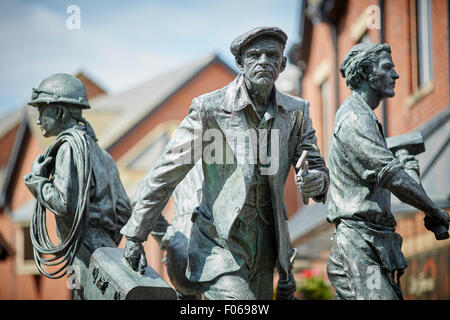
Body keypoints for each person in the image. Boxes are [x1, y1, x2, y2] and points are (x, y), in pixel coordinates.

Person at [121, 27, 329, 300]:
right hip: (219, 244)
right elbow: (166, 172)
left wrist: (317, 180)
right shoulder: (210, 109)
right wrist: (136, 234)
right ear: (240, 63)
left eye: (272, 55)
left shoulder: (296, 112)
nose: (264, 61)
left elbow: (315, 167)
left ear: (283, 64)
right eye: (254, 55)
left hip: (266, 245)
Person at [326, 43, 450, 300]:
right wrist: (434, 210)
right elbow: (392, 175)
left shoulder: (367, 118)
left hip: (373, 244)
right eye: (387, 68)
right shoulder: (354, 119)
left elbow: (394, 176)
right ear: (365, 72)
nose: (396, 75)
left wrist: (409, 167)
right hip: (357, 247)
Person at [24, 73, 131, 299]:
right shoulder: (104, 156)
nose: (38, 119)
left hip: (82, 249)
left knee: (80, 295)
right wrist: (106, 244)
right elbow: (124, 212)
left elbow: (65, 204)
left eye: (43, 110)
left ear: (60, 112)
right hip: (107, 250)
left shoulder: (68, 148)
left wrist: (37, 181)